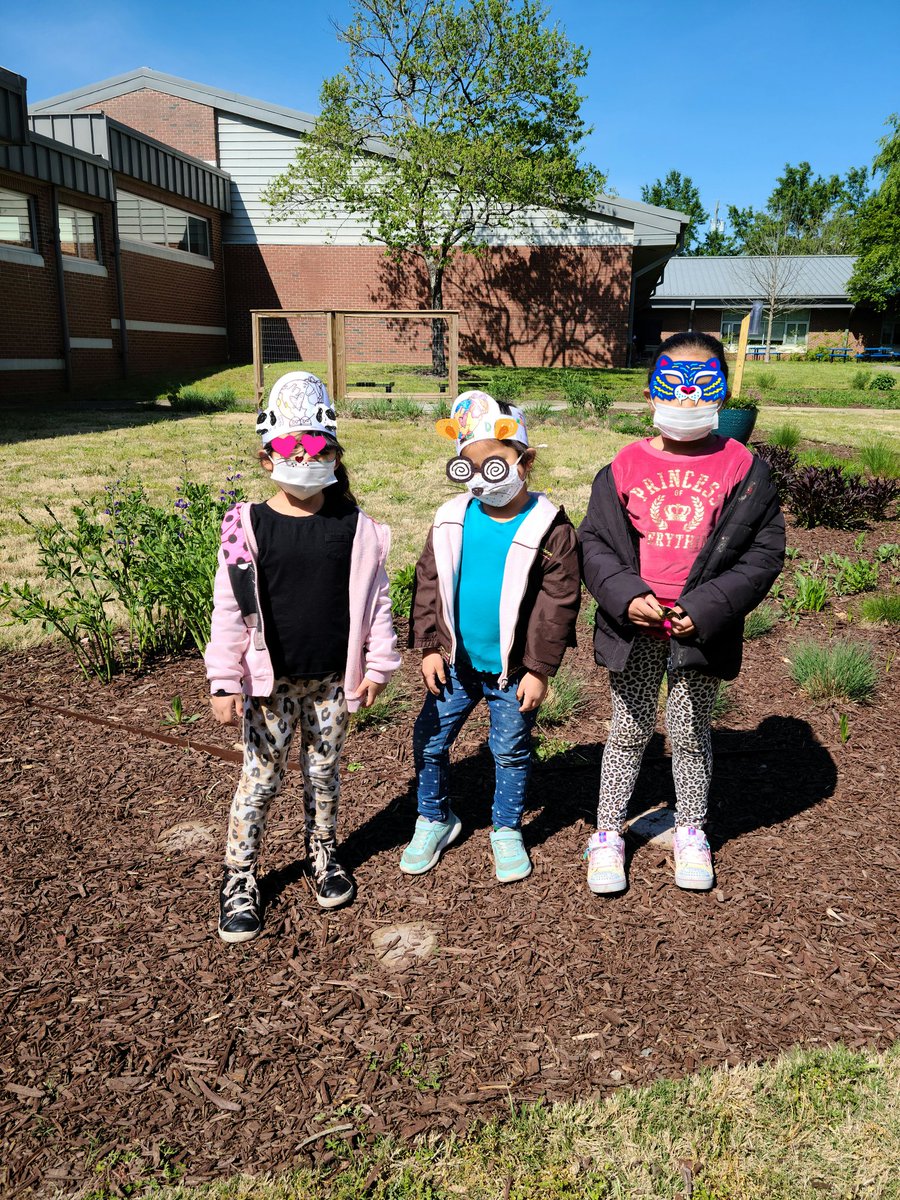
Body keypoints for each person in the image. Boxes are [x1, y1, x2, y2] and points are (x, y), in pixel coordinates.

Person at [579, 333, 784, 894]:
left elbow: (763, 553)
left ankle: (690, 828)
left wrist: (706, 607)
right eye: (674, 384)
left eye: (705, 385)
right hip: (637, 626)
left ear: (723, 389)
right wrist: (624, 595)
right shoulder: (624, 465)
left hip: (699, 630)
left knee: (691, 730)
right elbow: (594, 543)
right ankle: (607, 833)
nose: (689, 398)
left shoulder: (744, 467)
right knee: (628, 730)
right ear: (651, 390)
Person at [205, 371, 400, 943]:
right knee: (260, 779)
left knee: (324, 775)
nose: (304, 459)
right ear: (267, 459)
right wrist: (224, 680)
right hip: (269, 687)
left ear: (335, 455)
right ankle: (240, 875)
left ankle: (322, 853)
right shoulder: (247, 525)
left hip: (332, 685)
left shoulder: (356, 528)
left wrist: (379, 665)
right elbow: (229, 609)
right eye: (290, 449)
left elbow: (377, 603)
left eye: (317, 448)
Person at [400, 390, 581, 883]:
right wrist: (430, 646)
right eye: (469, 467)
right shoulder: (451, 518)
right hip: (455, 663)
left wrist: (540, 669)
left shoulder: (551, 528)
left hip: (513, 671)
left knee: (509, 749)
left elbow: (557, 605)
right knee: (430, 741)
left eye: (494, 465)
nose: (482, 478)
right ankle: (435, 818)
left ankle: (505, 829)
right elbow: (429, 582)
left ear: (524, 461)